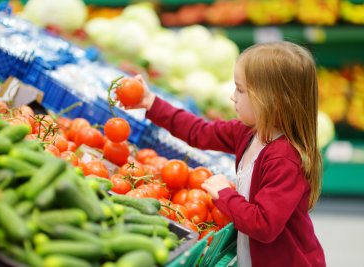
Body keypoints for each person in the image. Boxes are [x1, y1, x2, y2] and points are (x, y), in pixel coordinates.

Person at [123, 41, 326, 267]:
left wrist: (224, 195)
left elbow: (264, 225)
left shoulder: (284, 159)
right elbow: (198, 131)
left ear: (271, 100)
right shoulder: (248, 133)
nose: (233, 96)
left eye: (240, 89)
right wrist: (151, 103)